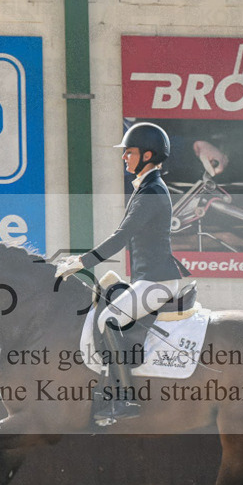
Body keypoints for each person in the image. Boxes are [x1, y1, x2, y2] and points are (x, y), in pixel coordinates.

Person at [56, 122, 190, 421]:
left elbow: (121, 236)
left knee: (109, 319)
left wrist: (82, 262)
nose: (124, 157)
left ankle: (125, 398)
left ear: (147, 155)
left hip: (157, 281)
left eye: (129, 152)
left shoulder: (151, 191)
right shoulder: (146, 187)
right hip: (148, 278)